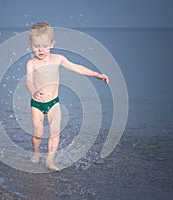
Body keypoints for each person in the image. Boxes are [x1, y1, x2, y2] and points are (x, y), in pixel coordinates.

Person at [26, 22, 109, 171]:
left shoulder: (58, 59)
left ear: (52, 43)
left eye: (44, 46)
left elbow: (77, 67)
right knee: (37, 132)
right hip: (37, 103)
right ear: (31, 45)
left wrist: (97, 75)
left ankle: (50, 160)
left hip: (54, 102)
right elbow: (28, 81)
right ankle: (36, 152)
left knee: (55, 132)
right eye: (36, 46)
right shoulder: (31, 63)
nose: (40, 49)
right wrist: (33, 91)